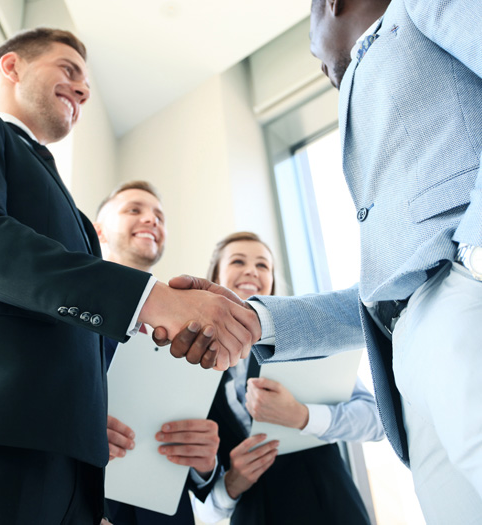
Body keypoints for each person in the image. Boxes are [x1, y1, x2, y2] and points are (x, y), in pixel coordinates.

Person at [159, 0, 482, 521]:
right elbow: (370, 294)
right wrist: (255, 318)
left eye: (311, 47)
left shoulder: (418, 9)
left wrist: (475, 254)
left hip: (461, 298)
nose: (319, 64)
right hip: (407, 347)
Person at [0, 28, 259, 524]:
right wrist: (150, 299)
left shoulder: (74, 218)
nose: (81, 89)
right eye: (68, 70)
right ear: (11, 67)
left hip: (73, 471)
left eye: (87, 85)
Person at [191, 232, 383, 525]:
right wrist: (231, 483)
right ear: (214, 277)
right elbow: (200, 512)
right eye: (238, 261)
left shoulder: (306, 340)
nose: (252, 270)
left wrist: (303, 417)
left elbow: (376, 420)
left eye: (263, 265)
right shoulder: (191, 369)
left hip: (331, 508)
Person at [93, 180, 220, 524]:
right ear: (98, 230)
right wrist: (76, 431)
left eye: (159, 217)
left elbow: (203, 464)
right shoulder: (66, 312)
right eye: (134, 210)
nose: (151, 220)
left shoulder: (191, 334)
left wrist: (205, 462)